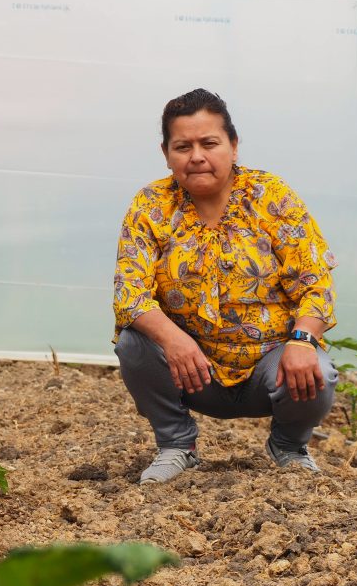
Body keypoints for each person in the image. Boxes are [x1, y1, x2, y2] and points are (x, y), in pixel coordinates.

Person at [113, 88, 339, 484]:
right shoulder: (150, 206)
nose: (196, 156)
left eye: (209, 143)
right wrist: (173, 339)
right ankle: (177, 444)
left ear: (233, 146)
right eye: (183, 146)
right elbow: (129, 293)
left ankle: (289, 445)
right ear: (166, 153)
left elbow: (315, 282)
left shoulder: (271, 197)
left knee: (317, 367)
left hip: (270, 367)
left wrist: (303, 340)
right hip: (191, 370)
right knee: (134, 343)